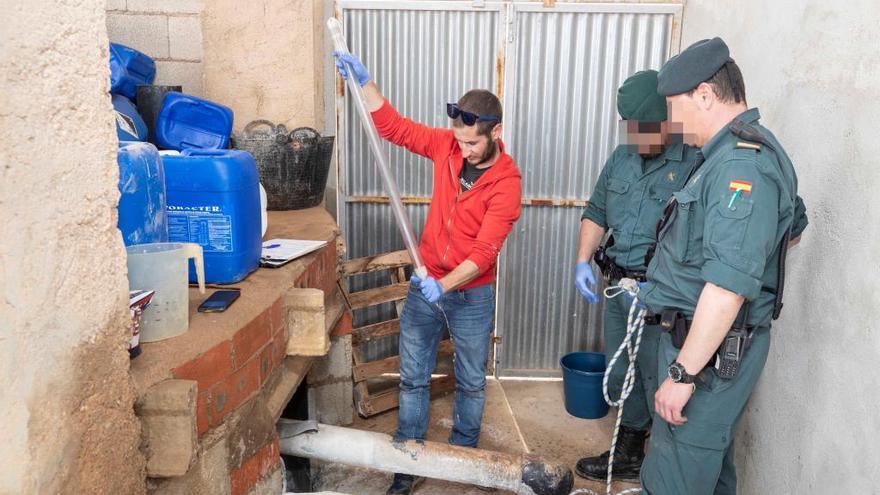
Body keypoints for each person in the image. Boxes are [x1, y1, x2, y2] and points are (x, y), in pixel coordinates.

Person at [335, 52, 522, 495]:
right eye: (459, 141)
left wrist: (446, 285)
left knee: (472, 382)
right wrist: (367, 84)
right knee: (413, 375)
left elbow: (484, 253)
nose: (463, 150)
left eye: (472, 144)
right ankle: (409, 456)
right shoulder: (447, 145)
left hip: (470, 293)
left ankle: (462, 461)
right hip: (426, 283)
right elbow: (394, 127)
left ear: (495, 132)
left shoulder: (507, 183)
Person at [637, 37, 808, 494]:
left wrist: (683, 374)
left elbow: (728, 286)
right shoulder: (729, 155)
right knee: (706, 472)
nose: (671, 122)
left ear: (705, 96)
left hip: (707, 358)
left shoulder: (741, 165)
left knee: (674, 474)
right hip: (700, 344)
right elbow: (791, 226)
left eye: (675, 108)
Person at [573, 70, 701, 482]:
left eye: (646, 130)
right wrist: (581, 261)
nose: (638, 139)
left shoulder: (697, 159)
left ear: (668, 121)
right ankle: (629, 449)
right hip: (619, 290)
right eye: (632, 130)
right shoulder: (622, 156)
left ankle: (653, 462)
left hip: (661, 299)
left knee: (654, 379)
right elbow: (596, 211)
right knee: (618, 371)